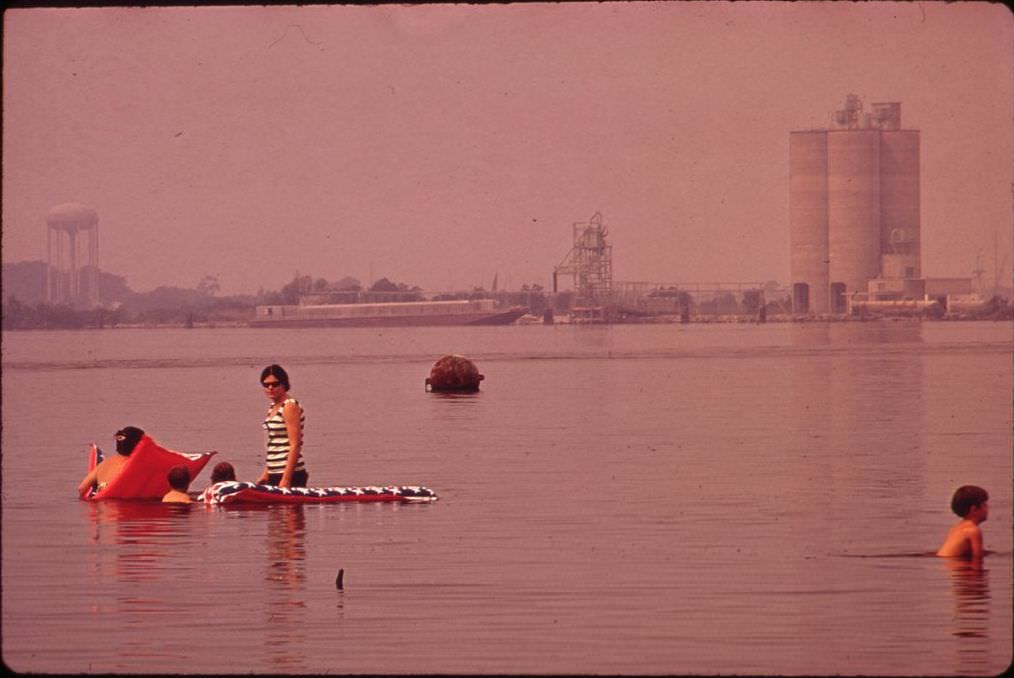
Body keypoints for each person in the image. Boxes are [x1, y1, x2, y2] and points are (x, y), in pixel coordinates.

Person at [254, 364, 308, 488]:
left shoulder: (289, 406)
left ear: (284, 384)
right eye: (266, 385)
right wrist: (266, 474)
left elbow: (295, 444)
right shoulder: (273, 407)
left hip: (290, 473)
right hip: (274, 472)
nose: (270, 388)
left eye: (275, 384)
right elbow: (275, 443)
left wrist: (286, 479)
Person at [78, 426, 145, 497]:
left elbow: (81, 488)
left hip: (101, 505)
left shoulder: (104, 464)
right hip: (124, 505)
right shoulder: (139, 466)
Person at [936, 485, 989, 558]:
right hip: (956, 565)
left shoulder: (957, 527)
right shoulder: (973, 531)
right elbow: (977, 559)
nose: (988, 508)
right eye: (985, 505)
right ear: (974, 509)